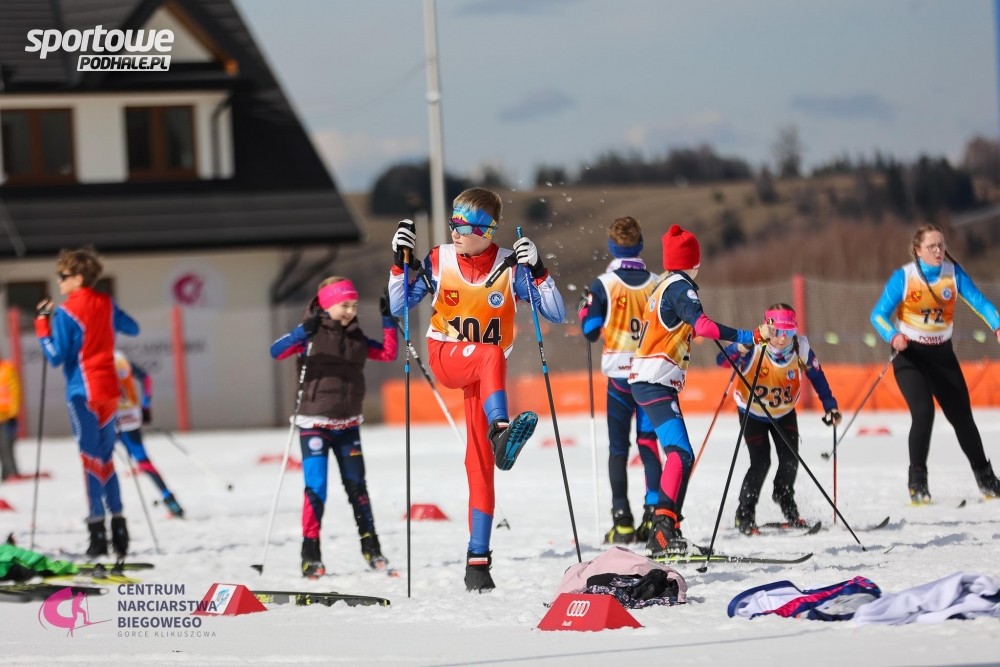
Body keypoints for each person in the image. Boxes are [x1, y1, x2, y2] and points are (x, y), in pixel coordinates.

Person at [387, 187, 566, 592]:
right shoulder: (439, 260)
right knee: (491, 353)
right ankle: (501, 429)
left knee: (481, 465)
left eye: (464, 226)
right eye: (453, 223)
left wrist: (539, 270)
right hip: (447, 356)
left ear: (487, 230)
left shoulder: (510, 267)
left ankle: (478, 561)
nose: (455, 232)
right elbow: (398, 306)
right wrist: (400, 264)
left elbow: (555, 312)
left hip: (485, 378)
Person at [628, 224, 770, 557]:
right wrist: (750, 336)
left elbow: (682, 331)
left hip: (648, 381)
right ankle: (663, 533)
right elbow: (703, 326)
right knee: (680, 454)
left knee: (681, 456)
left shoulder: (662, 286)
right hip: (654, 382)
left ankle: (667, 528)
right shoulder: (681, 288)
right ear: (693, 261)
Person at [270, 276, 398, 577]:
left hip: (348, 424)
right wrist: (301, 332)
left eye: (354, 305)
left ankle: (371, 546)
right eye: (344, 305)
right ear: (327, 305)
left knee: (357, 487)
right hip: (315, 423)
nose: (350, 311)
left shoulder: (356, 337)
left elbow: (388, 353)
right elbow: (276, 351)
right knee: (317, 488)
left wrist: (388, 320)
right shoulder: (310, 333)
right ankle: (310, 553)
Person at [870, 224, 1000, 504]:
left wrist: (997, 325)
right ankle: (917, 484)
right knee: (923, 413)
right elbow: (878, 315)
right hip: (910, 356)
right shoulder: (904, 277)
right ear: (918, 250)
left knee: (962, 417)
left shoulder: (953, 274)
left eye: (941, 245)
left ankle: (987, 480)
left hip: (942, 355)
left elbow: (980, 303)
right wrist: (893, 336)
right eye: (932, 246)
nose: (938, 250)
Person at [35, 246, 139, 559]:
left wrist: (42, 326)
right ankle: (119, 529)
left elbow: (55, 356)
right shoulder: (106, 302)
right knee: (107, 458)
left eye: (63, 275)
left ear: (78, 278)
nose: (59, 281)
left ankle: (97, 534)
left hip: (83, 393)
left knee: (91, 459)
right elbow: (133, 328)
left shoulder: (67, 311)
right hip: (108, 391)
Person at [716, 303, 841, 535]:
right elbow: (721, 361)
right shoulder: (755, 344)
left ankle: (785, 500)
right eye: (777, 332)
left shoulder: (800, 347)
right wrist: (740, 347)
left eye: (789, 332)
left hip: (783, 413)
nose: (783, 338)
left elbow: (817, 376)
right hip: (752, 413)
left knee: (790, 460)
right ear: (768, 328)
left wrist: (830, 406)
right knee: (761, 462)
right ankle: (744, 513)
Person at [579, 216, 661, 544]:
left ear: (612, 247)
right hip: (651, 375)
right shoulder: (657, 283)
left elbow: (590, 331)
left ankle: (622, 521)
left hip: (619, 378)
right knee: (648, 444)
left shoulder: (603, 284)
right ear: (640, 245)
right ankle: (653, 515)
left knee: (618, 450)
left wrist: (584, 311)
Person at [113, 349, 184, 518]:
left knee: (104, 464)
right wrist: (145, 406)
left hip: (112, 418)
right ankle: (170, 501)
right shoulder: (120, 356)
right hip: (131, 416)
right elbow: (146, 379)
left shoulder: (94, 357)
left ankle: (106, 514)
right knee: (142, 461)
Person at [0, 355, 22, 481]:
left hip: (7, 416)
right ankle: (5, 473)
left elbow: (14, 391)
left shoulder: (7, 369)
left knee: (7, 445)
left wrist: (13, 413)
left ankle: (11, 472)